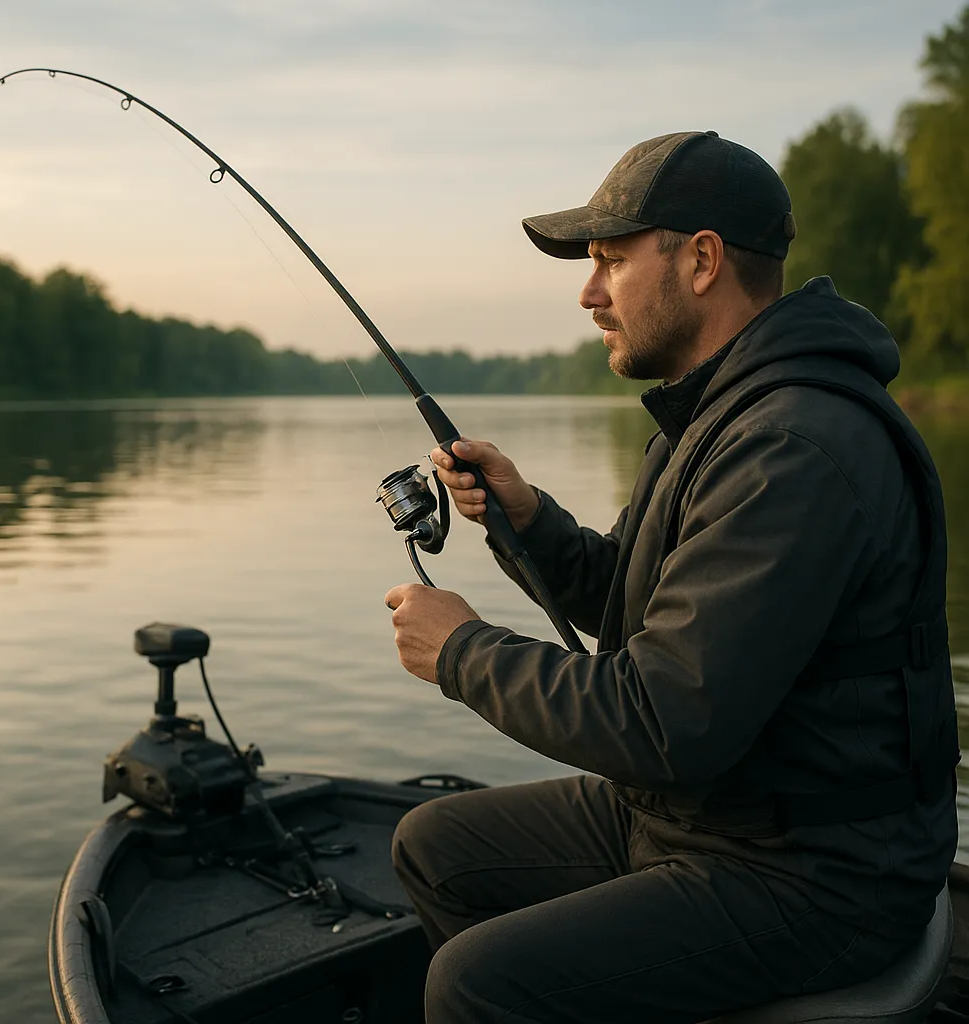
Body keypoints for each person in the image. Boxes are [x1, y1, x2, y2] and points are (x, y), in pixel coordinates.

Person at [382, 131, 960, 1024]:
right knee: (434, 846)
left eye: (610, 261)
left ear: (700, 260)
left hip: (815, 869)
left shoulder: (792, 447)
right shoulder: (720, 416)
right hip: (708, 815)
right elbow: (638, 600)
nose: (587, 292)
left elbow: (660, 719)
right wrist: (528, 521)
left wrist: (461, 651)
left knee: (476, 984)